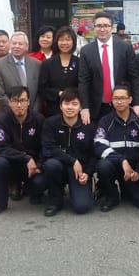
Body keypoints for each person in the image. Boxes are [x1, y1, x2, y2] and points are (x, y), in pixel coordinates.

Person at [0, 86, 46, 217]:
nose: (19, 105)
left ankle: (32, 191)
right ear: (9, 102)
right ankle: (0, 202)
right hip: (11, 163)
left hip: (32, 167)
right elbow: (0, 146)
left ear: (28, 102)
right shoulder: (2, 120)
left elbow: (45, 146)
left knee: (40, 183)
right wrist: (25, 157)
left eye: (23, 100)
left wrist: (39, 165)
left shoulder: (39, 119)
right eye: (15, 101)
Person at [40, 88, 97, 216]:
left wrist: (88, 173)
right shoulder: (50, 123)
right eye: (66, 103)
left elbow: (93, 154)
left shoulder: (89, 127)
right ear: (60, 106)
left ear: (81, 107)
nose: (70, 107)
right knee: (51, 165)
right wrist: (72, 161)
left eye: (74, 104)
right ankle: (56, 200)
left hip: (79, 170)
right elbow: (48, 148)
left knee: (82, 207)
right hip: (58, 165)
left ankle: (82, 190)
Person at [78, 12, 139, 124]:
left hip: (122, 104)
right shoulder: (86, 51)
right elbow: (83, 81)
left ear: (112, 28)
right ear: (94, 28)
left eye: (106, 26)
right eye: (98, 26)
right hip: (97, 107)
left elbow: (134, 77)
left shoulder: (125, 48)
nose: (102, 29)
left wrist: (137, 103)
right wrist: (85, 107)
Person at [93, 84, 139, 212]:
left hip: (134, 169)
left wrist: (138, 171)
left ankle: (127, 188)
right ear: (111, 100)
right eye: (116, 98)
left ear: (130, 99)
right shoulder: (105, 121)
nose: (119, 101)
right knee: (103, 165)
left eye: (123, 98)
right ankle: (111, 196)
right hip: (115, 165)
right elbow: (99, 146)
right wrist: (122, 160)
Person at [0, 31, 42, 113]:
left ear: (27, 46)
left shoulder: (36, 64)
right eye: (14, 43)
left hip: (32, 114)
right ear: (10, 45)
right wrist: (16, 109)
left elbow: (40, 93)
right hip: (8, 114)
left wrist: (33, 111)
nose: (16, 46)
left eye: (20, 44)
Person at [39, 26, 79, 117]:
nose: (64, 43)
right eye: (61, 40)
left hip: (75, 109)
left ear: (73, 42)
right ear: (56, 42)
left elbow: (83, 85)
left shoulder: (80, 62)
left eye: (68, 40)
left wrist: (71, 94)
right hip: (53, 110)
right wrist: (58, 93)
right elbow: (42, 88)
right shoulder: (47, 64)